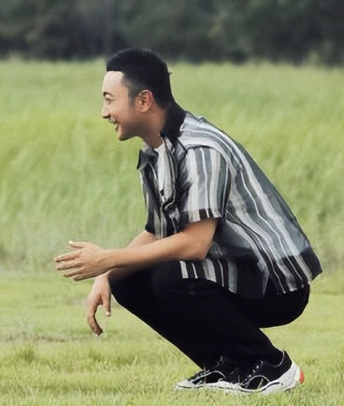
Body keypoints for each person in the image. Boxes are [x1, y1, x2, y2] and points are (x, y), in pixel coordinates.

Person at [54, 48, 321, 395]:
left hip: (279, 285)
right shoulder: (156, 151)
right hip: (235, 274)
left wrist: (108, 257)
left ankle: (272, 366)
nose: (104, 112)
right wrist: (107, 275)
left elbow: (194, 244)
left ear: (144, 100)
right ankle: (226, 364)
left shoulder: (198, 150)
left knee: (172, 273)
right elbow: (156, 232)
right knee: (128, 278)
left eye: (109, 100)